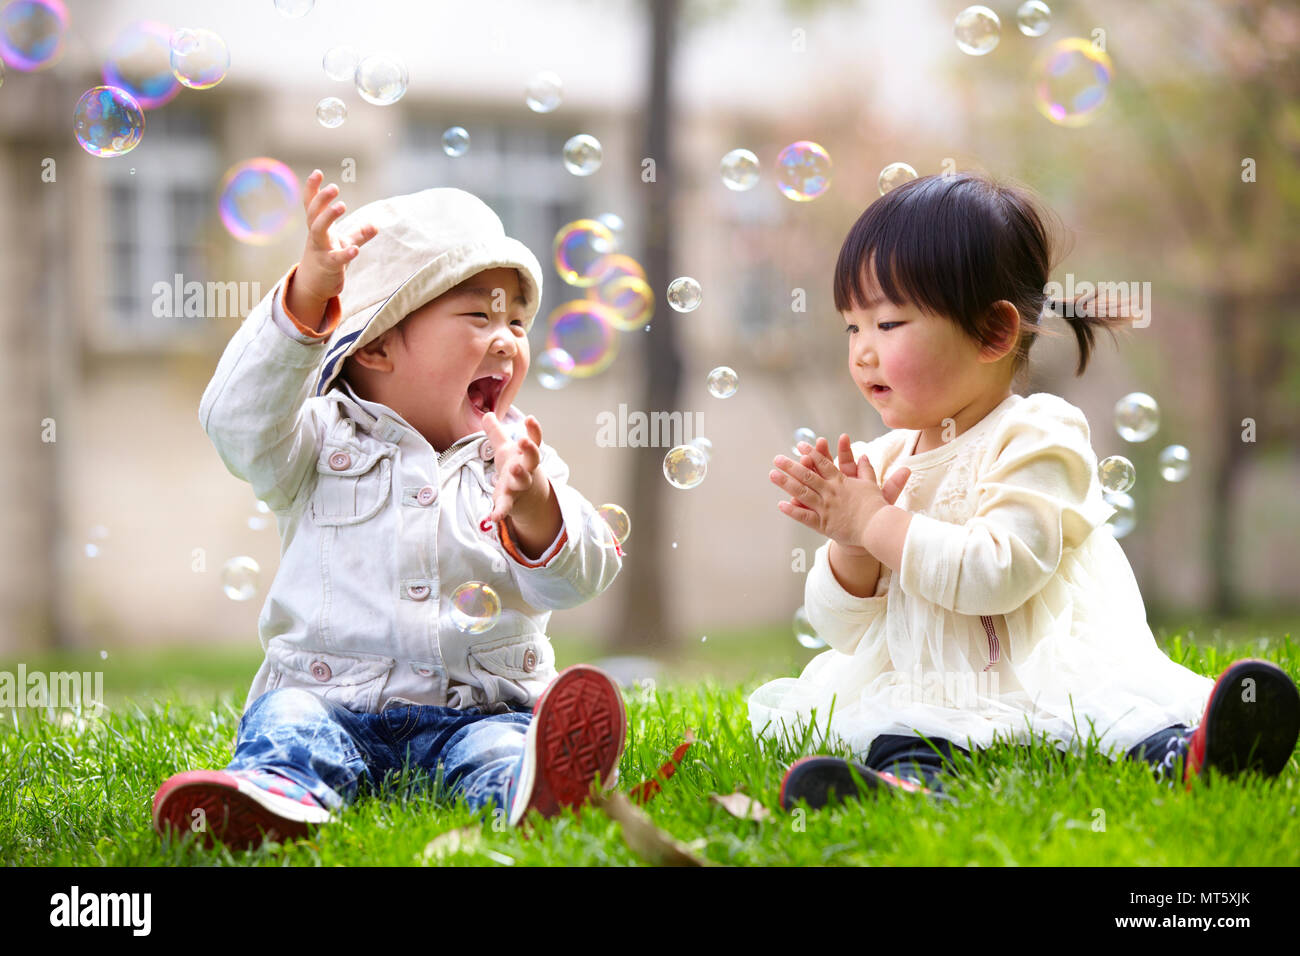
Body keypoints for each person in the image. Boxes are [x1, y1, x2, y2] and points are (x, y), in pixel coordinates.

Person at [753, 171, 1300, 809]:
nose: (862, 353)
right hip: (931, 686)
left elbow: (996, 573)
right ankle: (903, 789)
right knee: (902, 734)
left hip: (1045, 675)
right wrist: (852, 543)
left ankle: (1194, 757)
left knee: (1116, 726)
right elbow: (840, 627)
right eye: (852, 328)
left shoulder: (1038, 435)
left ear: (993, 333)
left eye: (889, 323)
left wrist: (875, 523)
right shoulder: (882, 460)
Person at [153, 172, 628, 849]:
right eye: (479, 317)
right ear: (375, 345)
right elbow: (234, 421)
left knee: (499, 747)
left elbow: (582, 576)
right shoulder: (314, 441)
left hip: (476, 708)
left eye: (517, 322)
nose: (507, 340)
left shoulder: (520, 465)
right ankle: (274, 796)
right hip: (331, 700)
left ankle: (530, 790)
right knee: (288, 723)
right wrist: (308, 298)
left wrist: (536, 510)